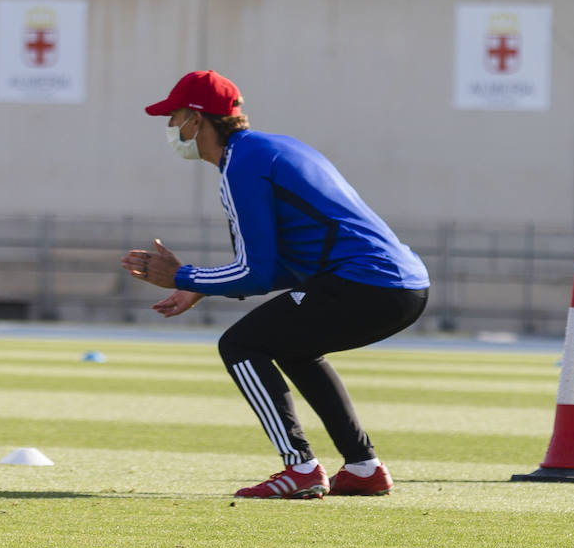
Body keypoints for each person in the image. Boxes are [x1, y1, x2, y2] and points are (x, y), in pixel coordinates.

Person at [121, 70, 429, 499]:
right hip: (401, 284)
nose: (171, 128)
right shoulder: (269, 148)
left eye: (173, 117)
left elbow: (258, 272)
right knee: (291, 346)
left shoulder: (242, 164)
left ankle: (300, 467)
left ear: (195, 119)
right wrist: (201, 285)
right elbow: (291, 261)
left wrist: (183, 276)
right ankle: (363, 468)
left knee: (240, 344)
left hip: (366, 283)